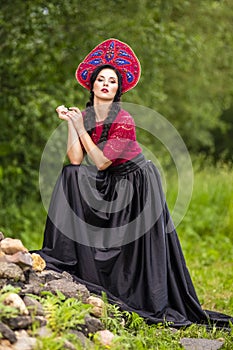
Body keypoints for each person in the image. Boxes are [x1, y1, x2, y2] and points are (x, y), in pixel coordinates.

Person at [34, 39, 232, 328]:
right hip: (110, 182)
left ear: (118, 89)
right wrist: (72, 124)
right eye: (100, 79)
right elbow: (76, 160)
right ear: (91, 86)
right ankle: (66, 258)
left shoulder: (123, 119)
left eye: (111, 81)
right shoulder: (87, 117)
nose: (105, 84)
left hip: (136, 183)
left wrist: (81, 128)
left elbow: (101, 161)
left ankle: (136, 293)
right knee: (70, 176)